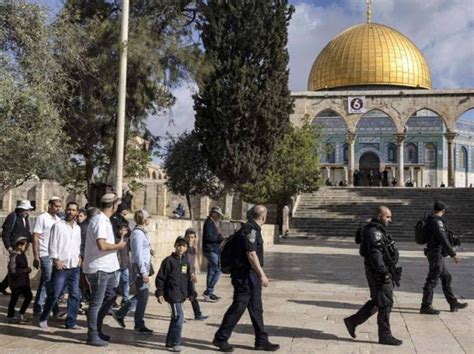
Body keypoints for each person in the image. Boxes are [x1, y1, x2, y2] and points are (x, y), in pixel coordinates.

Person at [213, 205, 279, 352]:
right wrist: (262, 275)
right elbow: (251, 254)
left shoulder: (252, 228)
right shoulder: (250, 230)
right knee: (238, 307)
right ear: (264, 217)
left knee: (256, 308)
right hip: (245, 276)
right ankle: (221, 338)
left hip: (250, 276)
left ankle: (261, 340)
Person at [343, 206, 402, 346]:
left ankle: (352, 321)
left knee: (378, 301)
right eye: (387, 217)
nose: (390, 220)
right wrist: (384, 273)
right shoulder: (374, 232)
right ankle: (385, 336)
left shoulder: (375, 230)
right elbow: (376, 254)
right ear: (379, 215)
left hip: (377, 270)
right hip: (378, 272)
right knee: (386, 304)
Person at [83, 193, 126, 347]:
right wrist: (119, 246)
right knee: (96, 303)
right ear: (113, 205)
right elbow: (102, 245)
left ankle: (97, 329)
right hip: (99, 268)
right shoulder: (100, 220)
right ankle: (92, 334)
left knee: (111, 296)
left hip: (108, 267)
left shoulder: (104, 220)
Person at [39, 201, 82, 329]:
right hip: (61, 266)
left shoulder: (77, 228)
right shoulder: (58, 225)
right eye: (69, 209)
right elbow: (52, 244)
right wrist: (56, 259)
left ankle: (71, 322)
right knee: (55, 293)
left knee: (74, 295)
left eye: (74, 210)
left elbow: (78, 245)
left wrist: (79, 257)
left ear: (77, 212)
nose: (71, 212)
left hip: (74, 266)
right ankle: (44, 317)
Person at [420, 201, 468, 314]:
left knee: (446, 277)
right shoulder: (437, 222)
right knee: (432, 279)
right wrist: (453, 254)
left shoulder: (432, 220)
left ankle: (453, 302)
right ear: (443, 211)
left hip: (435, 252)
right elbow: (442, 239)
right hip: (436, 253)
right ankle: (425, 305)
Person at [112, 210, 154, 333]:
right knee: (143, 295)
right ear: (144, 219)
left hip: (143, 267)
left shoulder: (142, 232)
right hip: (140, 268)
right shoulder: (138, 234)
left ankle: (121, 313)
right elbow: (138, 254)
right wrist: (143, 272)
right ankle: (138, 324)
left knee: (141, 294)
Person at [155, 236, 194, 353]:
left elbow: (188, 278)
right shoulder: (168, 261)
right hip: (172, 294)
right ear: (175, 246)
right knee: (179, 317)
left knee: (175, 317)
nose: (181, 248)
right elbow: (160, 278)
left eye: (183, 246)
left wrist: (191, 293)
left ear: (186, 248)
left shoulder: (185, 261)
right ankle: (176, 342)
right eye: (179, 245)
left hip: (181, 294)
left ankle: (169, 341)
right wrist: (160, 293)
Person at [32, 196, 62, 315]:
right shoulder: (42, 218)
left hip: (54, 254)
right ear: (49, 205)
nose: (58, 209)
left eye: (59, 206)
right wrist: (36, 256)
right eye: (56, 206)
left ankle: (38, 307)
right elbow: (35, 237)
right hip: (44, 253)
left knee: (45, 282)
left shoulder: (58, 220)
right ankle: (55, 309)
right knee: (50, 282)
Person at [0, 200, 34, 295]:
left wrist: (34, 239)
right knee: (17, 269)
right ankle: (22, 291)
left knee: (16, 269)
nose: (28, 212)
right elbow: (5, 233)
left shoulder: (25, 218)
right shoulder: (13, 216)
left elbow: (26, 232)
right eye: (27, 210)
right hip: (15, 248)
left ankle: (2, 286)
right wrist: (9, 247)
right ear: (21, 209)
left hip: (22, 248)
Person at [184, 228, 208, 321]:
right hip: (184, 276)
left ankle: (197, 314)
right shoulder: (184, 249)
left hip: (190, 275)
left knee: (192, 294)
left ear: (195, 238)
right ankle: (179, 315)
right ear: (185, 237)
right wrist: (190, 274)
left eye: (192, 237)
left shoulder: (193, 249)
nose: (190, 239)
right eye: (188, 237)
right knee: (182, 296)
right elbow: (184, 264)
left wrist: (193, 272)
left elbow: (192, 263)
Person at [7, 236, 33, 323]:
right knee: (14, 299)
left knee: (29, 296)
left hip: (24, 282)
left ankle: (20, 314)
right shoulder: (14, 256)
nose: (27, 248)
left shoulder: (22, 255)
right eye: (26, 246)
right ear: (19, 246)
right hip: (16, 283)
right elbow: (13, 270)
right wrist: (24, 270)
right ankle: (10, 316)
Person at [202, 206, 225, 302]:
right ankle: (208, 292)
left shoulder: (213, 223)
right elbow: (209, 237)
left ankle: (209, 293)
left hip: (214, 250)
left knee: (211, 271)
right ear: (214, 213)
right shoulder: (208, 223)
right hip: (210, 250)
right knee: (218, 270)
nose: (219, 217)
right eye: (218, 215)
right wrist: (219, 238)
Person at [111, 203, 130, 306]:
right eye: (121, 230)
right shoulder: (116, 240)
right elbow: (119, 246)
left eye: (125, 230)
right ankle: (112, 300)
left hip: (125, 264)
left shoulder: (127, 240)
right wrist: (122, 237)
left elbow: (128, 251)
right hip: (117, 265)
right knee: (115, 283)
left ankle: (125, 299)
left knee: (126, 282)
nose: (123, 231)